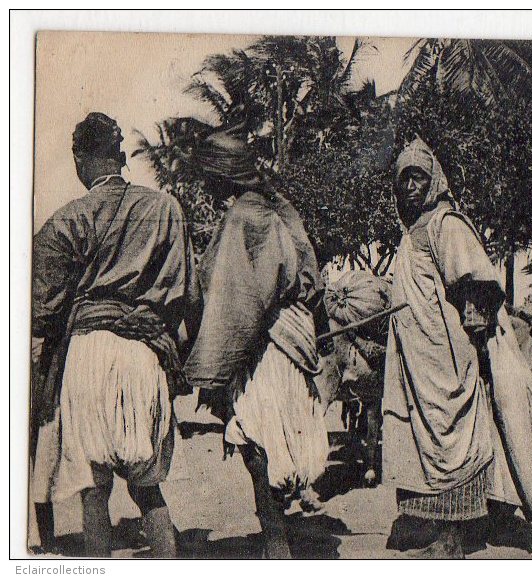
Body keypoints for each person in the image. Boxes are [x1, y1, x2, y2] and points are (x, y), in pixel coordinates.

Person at [382, 137, 532, 559]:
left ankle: (453, 539)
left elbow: (480, 285)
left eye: (418, 177)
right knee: (421, 440)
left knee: (454, 438)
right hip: (417, 360)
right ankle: (438, 527)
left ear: (433, 182)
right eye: (403, 179)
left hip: (447, 359)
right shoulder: (410, 234)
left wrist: (477, 333)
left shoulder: (446, 225)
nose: (410, 186)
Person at [31, 112, 200, 557]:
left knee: (95, 491)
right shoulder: (165, 209)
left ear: (81, 159)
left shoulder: (67, 220)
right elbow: (187, 294)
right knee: (147, 488)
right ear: (120, 155)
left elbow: (40, 308)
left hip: (89, 354)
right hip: (144, 354)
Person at [184, 125, 329, 559]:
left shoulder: (242, 219)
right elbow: (310, 278)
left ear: (224, 175)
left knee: (254, 438)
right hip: (291, 336)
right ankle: (276, 537)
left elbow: (238, 297)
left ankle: (275, 543)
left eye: (210, 178)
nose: (208, 187)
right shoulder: (281, 210)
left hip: (265, 340)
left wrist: (216, 362)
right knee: (275, 434)